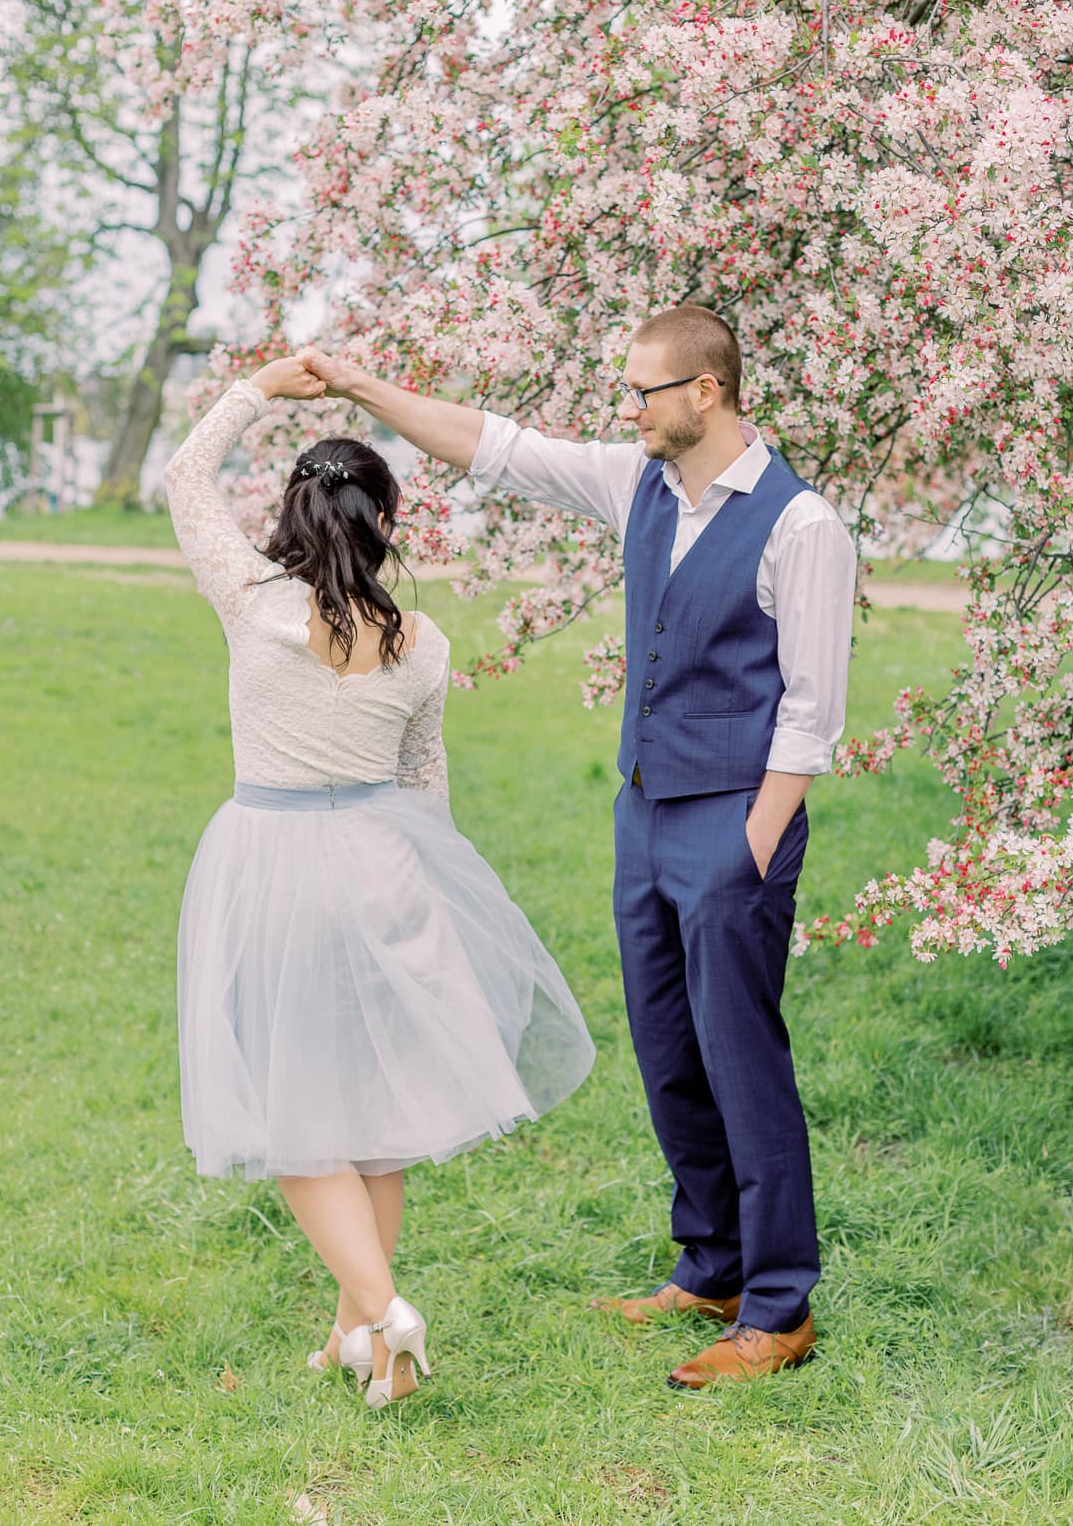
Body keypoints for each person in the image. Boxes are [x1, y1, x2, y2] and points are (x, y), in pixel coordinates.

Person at [302, 305, 856, 1387]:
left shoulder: (804, 528)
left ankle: (780, 1307)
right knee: (667, 1048)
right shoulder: (638, 482)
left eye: (647, 390)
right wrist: (363, 389)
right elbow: (500, 448)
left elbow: (812, 710)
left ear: (707, 391)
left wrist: (753, 842)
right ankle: (711, 1267)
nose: (631, 408)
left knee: (742, 1058)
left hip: (738, 816)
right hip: (644, 812)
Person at [163, 354, 595, 1409]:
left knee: (293, 1107)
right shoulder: (426, 642)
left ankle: (388, 1313)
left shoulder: (252, 600)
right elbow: (423, 784)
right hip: (385, 863)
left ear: (293, 513)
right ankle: (354, 1334)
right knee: (374, 1108)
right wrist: (424, 902)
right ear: (387, 523)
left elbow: (183, 478)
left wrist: (262, 386)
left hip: (274, 862)